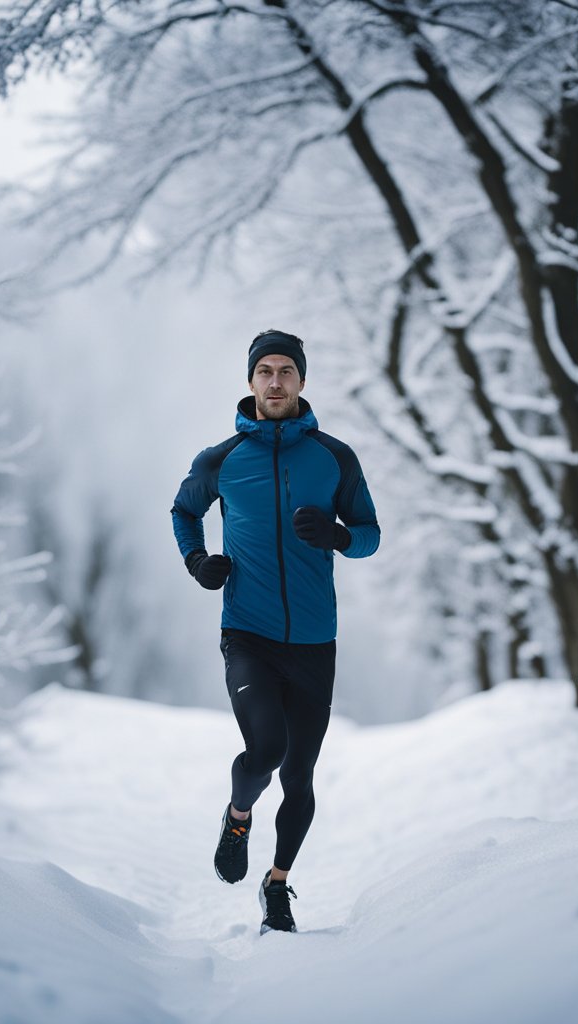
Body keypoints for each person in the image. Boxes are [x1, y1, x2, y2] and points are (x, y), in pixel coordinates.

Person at [170, 329, 380, 934]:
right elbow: (184, 510)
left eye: (287, 370)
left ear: (303, 381)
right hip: (249, 632)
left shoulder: (334, 457)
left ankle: (278, 883)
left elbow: (369, 533)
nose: (276, 381)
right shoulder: (221, 460)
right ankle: (239, 817)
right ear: (250, 382)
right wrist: (197, 561)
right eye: (265, 371)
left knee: (300, 780)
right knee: (267, 749)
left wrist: (339, 536)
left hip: (315, 640)